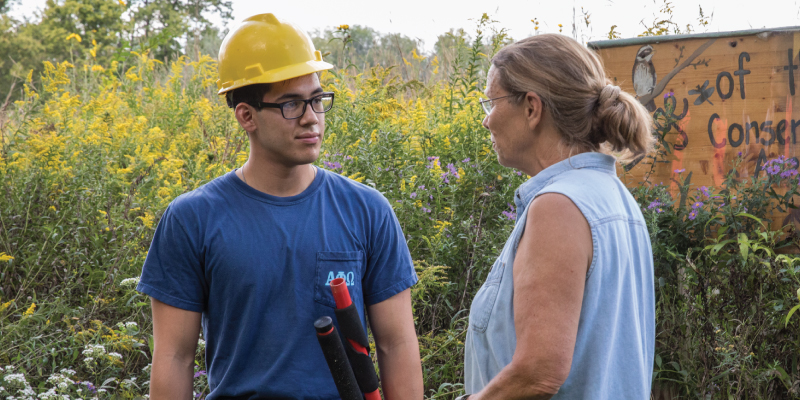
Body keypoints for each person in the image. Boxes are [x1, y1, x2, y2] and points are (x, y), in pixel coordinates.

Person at [136, 13, 423, 399]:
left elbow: (396, 344)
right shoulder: (192, 219)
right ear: (246, 116)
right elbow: (174, 357)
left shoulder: (367, 211)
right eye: (291, 104)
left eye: (317, 100)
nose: (311, 118)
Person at [461, 34, 656, 399]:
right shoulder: (615, 199)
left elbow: (538, 374)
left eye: (492, 102)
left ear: (532, 108)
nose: (487, 120)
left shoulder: (559, 207)